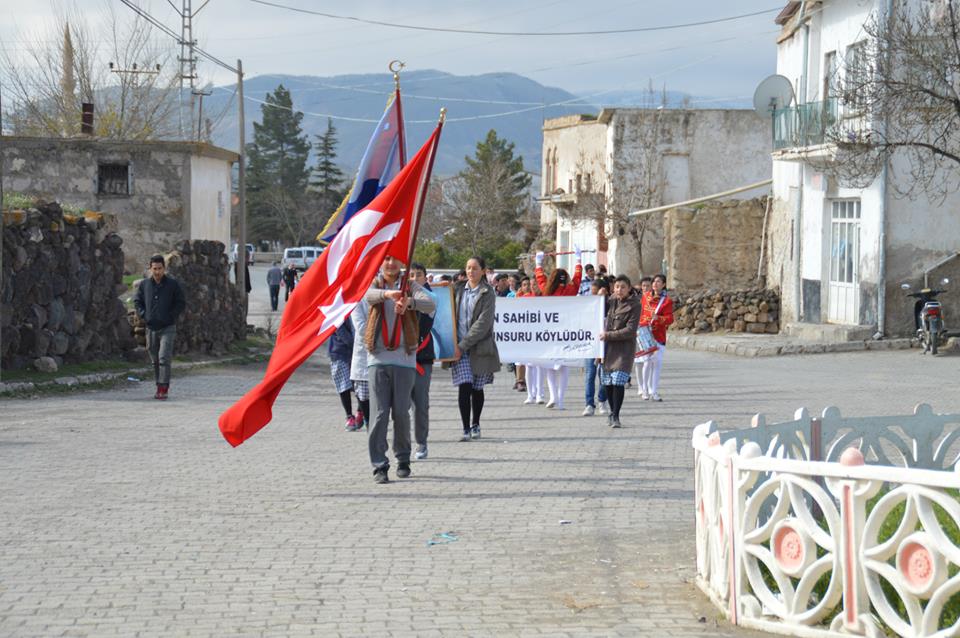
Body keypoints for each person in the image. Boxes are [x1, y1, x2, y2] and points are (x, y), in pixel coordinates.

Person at [360, 256, 436, 484]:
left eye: (395, 259)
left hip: (404, 358)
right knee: (380, 413)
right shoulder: (376, 283)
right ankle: (379, 465)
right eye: (386, 259)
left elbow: (430, 303)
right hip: (378, 357)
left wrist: (409, 302)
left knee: (401, 412)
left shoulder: (409, 284)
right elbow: (367, 296)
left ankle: (403, 458)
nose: (391, 263)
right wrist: (388, 295)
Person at [450, 256, 501, 441]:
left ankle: (475, 423)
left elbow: (483, 323)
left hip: (478, 346)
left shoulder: (488, 293)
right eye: (468, 268)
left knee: (476, 388)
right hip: (459, 348)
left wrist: (463, 345)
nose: (471, 271)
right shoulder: (457, 290)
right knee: (464, 385)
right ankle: (465, 428)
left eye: (475, 268)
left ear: (483, 271)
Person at [533, 247, 583, 410]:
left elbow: (540, 278)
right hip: (566, 331)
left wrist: (538, 263)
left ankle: (554, 396)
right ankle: (559, 398)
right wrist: (578, 261)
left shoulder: (547, 291)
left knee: (550, 366)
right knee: (563, 366)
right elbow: (577, 279)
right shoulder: (571, 290)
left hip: (550, 332)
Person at [134, 255, 186, 400]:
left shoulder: (172, 285)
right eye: (154, 269)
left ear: (164, 268)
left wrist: (171, 316)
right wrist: (144, 315)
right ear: (150, 268)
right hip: (151, 328)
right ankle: (158, 385)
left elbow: (180, 303)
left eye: (160, 269)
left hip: (167, 327)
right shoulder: (145, 285)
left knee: (164, 357)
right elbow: (137, 301)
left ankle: (164, 388)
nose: (157, 272)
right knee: (154, 359)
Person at [600, 275, 642, 428]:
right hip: (608, 349)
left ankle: (616, 415)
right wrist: (600, 297)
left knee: (618, 382)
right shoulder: (610, 301)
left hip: (623, 350)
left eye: (623, 287)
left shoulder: (635, 305)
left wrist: (608, 335)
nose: (619, 290)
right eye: (617, 286)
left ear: (629, 288)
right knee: (608, 383)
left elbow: (631, 330)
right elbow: (595, 311)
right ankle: (611, 412)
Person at [409, 263, 435, 461]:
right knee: (401, 404)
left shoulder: (430, 298)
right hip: (401, 356)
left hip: (422, 356)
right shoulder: (400, 297)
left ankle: (421, 442)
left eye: (419, 275)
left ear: (426, 278)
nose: (415, 278)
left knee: (420, 402)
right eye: (411, 275)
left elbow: (427, 308)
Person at [639, 274, 674, 402]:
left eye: (658, 282)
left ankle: (654, 391)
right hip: (645, 334)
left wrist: (658, 318)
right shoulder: (645, 297)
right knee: (646, 362)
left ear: (664, 284)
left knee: (657, 363)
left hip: (658, 335)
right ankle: (644, 390)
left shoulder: (667, 301)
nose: (655, 283)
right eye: (654, 281)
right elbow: (641, 313)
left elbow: (670, 319)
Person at [583, 277, 610, 416]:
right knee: (590, 375)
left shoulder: (610, 306)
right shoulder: (588, 306)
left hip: (606, 345)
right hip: (590, 345)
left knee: (604, 375)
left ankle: (602, 400)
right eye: (591, 293)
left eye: (596, 292)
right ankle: (589, 404)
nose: (593, 295)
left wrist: (603, 300)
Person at [328, 320, 358, 430]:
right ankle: (349, 416)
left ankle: (361, 411)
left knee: (361, 384)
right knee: (343, 386)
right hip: (339, 351)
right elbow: (338, 326)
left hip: (360, 351)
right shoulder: (338, 304)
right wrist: (356, 343)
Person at [633, 276, 654, 390]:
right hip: (638, 332)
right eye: (644, 286)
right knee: (638, 361)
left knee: (649, 360)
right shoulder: (636, 300)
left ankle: (649, 386)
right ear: (641, 287)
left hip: (650, 332)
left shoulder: (654, 300)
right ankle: (640, 387)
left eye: (648, 286)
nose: (645, 288)